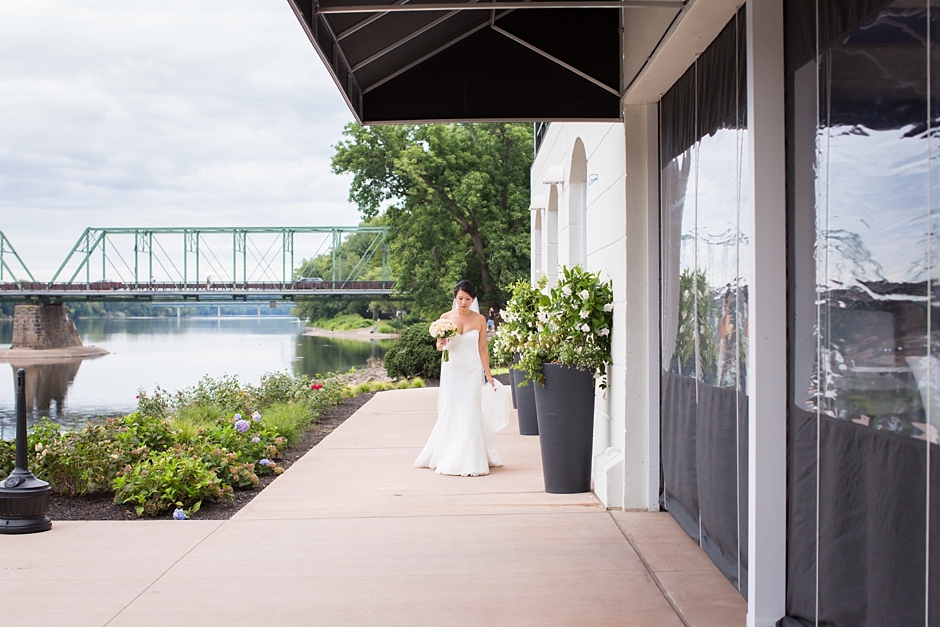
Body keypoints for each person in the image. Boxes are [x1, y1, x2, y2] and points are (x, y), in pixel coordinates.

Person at [414, 279, 508, 476]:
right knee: (452, 408)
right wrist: (441, 342)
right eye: (460, 298)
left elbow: (482, 349)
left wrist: (488, 374)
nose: (463, 302)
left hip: (472, 370)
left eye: (467, 298)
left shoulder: (480, 319)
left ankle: (471, 457)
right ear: (455, 297)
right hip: (452, 370)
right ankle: (448, 453)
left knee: (471, 409)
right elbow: (440, 347)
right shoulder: (445, 318)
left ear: (473, 299)